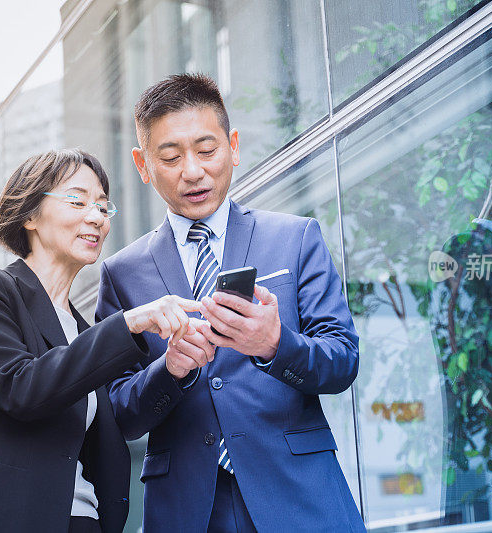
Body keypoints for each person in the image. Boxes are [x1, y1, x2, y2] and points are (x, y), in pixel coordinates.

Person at [96, 74, 364, 532]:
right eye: (171, 156)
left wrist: (275, 344)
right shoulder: (122, 273)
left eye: (206, 150)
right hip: (187, 509)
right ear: (144, 165)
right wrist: (171, 370)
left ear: (233, 146)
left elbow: (343, 361)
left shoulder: (296, 238)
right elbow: (116, 413)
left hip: (299, 497)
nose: (192, 171)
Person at [0, 149, 206, 533]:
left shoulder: (88, 333)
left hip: (83, 520)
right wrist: (129, 323)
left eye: (103, 207)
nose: (96, 217)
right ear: (31, 214)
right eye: (78, 201)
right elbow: (23, 387)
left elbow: (119, 423)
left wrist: (173, 370)